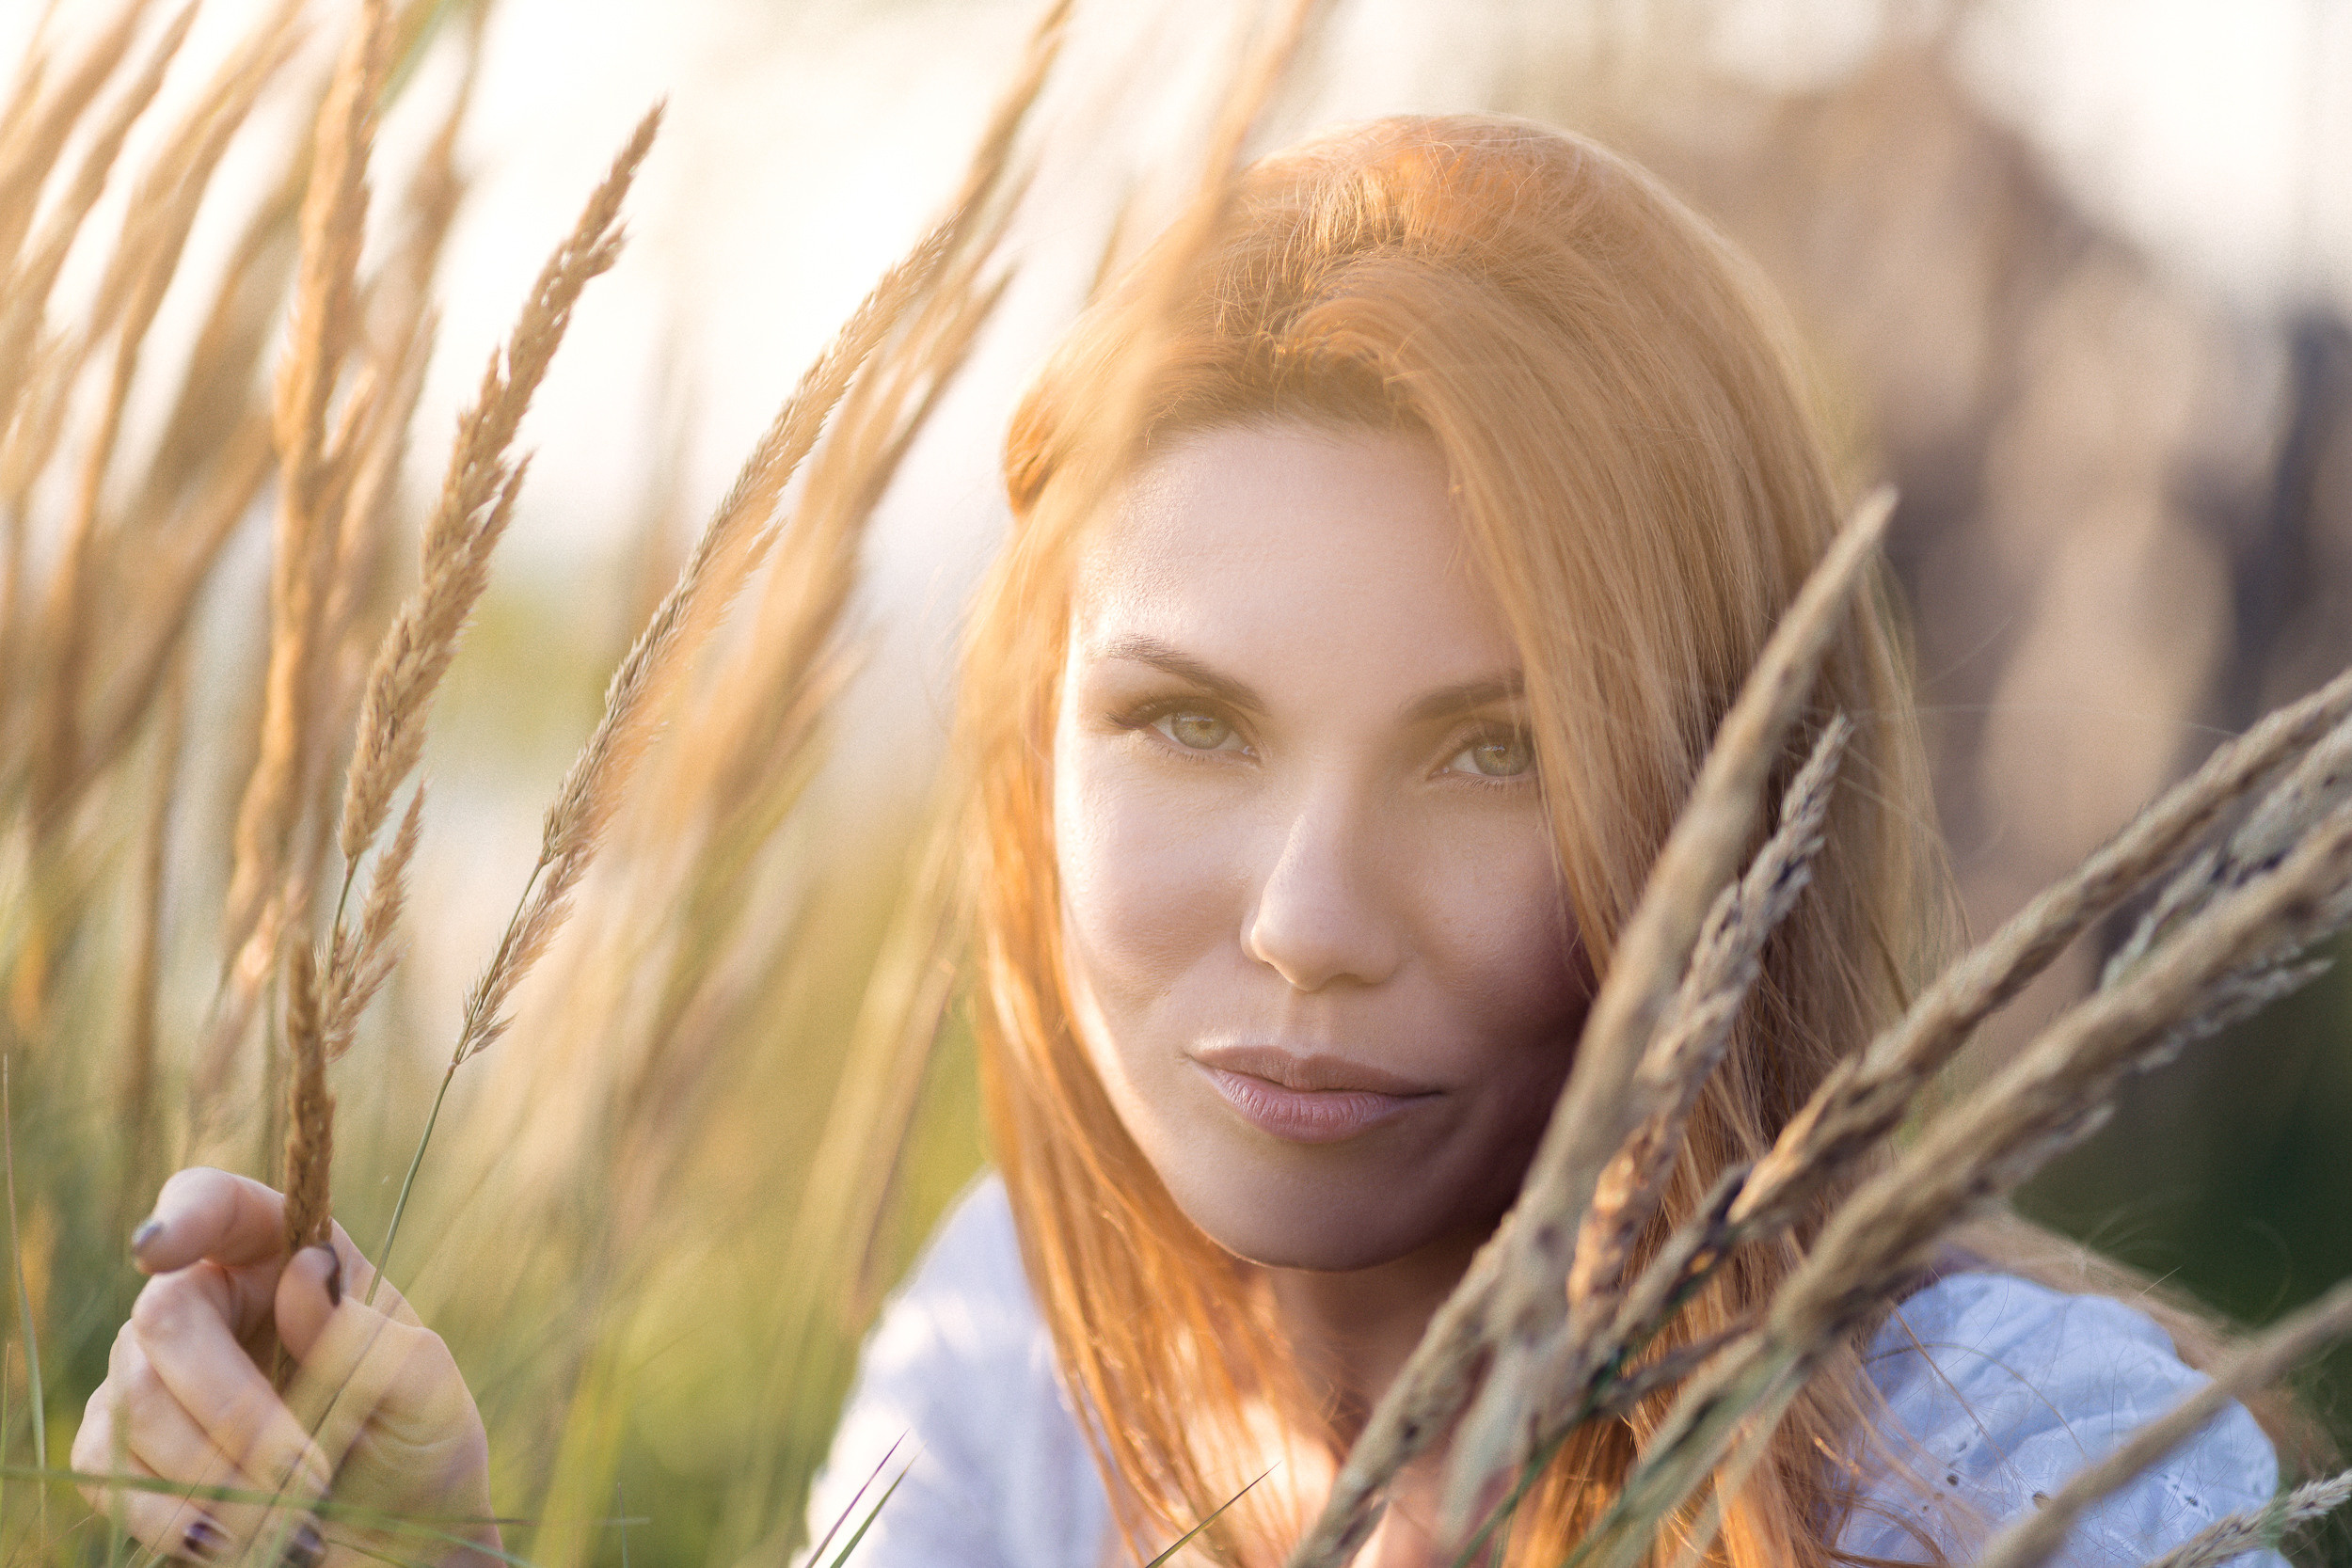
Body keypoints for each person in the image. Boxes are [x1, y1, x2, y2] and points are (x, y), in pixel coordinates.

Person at [78, 116, 2298, 1568]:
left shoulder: (2018, 1482)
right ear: (1034, 754)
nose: (1306, 924)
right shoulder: (1022, 1357)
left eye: (1487, 754)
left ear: (1733, 813)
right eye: (1186, 721)